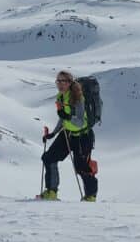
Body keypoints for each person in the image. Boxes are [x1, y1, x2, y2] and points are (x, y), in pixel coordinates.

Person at [38, 70, 98, 201]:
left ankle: (90, 196)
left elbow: (80, 121)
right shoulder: (60, 96)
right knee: (49, 158)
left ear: (70, 83)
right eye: (57, 81)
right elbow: (63, 118)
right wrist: (53, 133)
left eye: (62, 81)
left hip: (83, 136)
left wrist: (67, 116)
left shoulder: (78, 97)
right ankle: (51, 192)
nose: (59, 84)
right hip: (68, 134)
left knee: (81, 167)